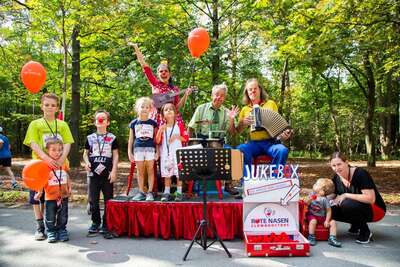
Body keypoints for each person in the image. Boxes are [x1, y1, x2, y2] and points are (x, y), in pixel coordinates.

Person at [23, 93, 74, 241]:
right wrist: (46, 158)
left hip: (59, 166)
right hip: (39, 167)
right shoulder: (35, 124)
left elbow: (67, 143)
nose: (50, 108)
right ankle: (40, 228)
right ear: (41, 106)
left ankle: (56, 227)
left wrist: (62, 159)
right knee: (37, 198)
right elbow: (33, 143)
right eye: (47, 105)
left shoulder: (62, 125)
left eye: (53, 105)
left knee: (54, 199)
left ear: (57, 108)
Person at [187, 83, 239, 195]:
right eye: (217, 94)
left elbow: (232, 132)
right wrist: (188, 142)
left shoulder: (226, 112)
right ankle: (189, 185)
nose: (219, 97)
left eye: (222, 95)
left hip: (218, 142)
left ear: (225, 98)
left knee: (234, 153)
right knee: (190, 149)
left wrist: (231, 119)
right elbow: (191, 127)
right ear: (212, 95)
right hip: (202, 141)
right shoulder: (201, 108)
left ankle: (229, 185)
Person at [236, 78, 292, 177]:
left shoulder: (270, 104)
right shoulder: (245, 109)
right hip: (254, 143)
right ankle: (246, 180)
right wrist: (243, 122)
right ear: (247, 92)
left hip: (271, 142)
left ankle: (274, 179)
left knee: (282, 150)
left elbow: (277, 125)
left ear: (260, 90)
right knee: (241, 148)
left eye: (255, 88)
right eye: (250, 89)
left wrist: (283, 136)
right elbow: (238, 131)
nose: (252, 91)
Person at [329, 152, 386, 244]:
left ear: (346, 162)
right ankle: (355, 225)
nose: (336, 168)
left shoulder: (360, 174)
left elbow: (371, 199)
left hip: (376, 210)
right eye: (333, 165)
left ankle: (365, 232)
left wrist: (346, 195)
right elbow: (332, 195)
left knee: (347, 204)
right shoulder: (337, 177)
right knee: (328, 209)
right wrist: (318, 199)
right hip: (357, 207)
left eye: (339, 164)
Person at [132, 43, 193, 126]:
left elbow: (177, 108)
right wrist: (136, 48)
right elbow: (144, 65)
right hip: (156, 119)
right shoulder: (155, 83)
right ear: (158, 74)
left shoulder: (175, 89)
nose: (163, 73)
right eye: (161, 71)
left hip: (170, 119)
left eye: (166, 71)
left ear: (170, 74)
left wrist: (185, 95)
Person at [83, 110, 119, 239]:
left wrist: (114, 170)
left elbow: (115, 155)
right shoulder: (90, 138)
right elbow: (85, 154)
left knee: (108, 200)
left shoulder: (112, 138)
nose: (100, 120)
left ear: (107, 122)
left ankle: (106, 224)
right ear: (94, 122)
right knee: (93, 200)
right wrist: (86, 163)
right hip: (93, 174)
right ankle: (95, 222)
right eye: (98, 118)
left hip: (107, 173)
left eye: (103, 119)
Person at [34, 138, 71, 243]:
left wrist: (70, 186)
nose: (57, 152)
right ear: (47, 151)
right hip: (50, 196)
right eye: (54, 150)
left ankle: (62, 230)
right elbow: (41, 180)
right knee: (50, 215)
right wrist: (39, 192)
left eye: (60, 150)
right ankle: (51, 231)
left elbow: (66, 175)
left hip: (63, 195)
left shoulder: (63, 162)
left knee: (63, 215)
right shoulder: (44, 164)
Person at [155, 103, 189, 201]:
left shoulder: (179, 125)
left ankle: (178, 192)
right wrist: (160, 131)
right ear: (163, 114)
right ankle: (166, 192)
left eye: (171, 109)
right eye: (166, 110)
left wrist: (176, 137)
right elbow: (157, 141)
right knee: (167, 175)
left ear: (175, 113)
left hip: (178, 154)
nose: (169, 111)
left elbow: (186, 138)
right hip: (166, 155)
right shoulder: (162, 126)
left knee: (179, 174)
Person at [128, 97, 158, 201]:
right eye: (142, 107)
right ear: (137, 108)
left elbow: (156, 139)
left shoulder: (153, 123)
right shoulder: (133, 123)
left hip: (150, 149)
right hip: (138, 149)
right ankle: (141, 191)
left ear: (150, 109)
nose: (144, 109)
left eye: (147, 107)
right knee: (140, 171)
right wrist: (129, 152)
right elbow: (131, 139)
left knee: (150, 170)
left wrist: (157, 151)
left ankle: (150, 192)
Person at [306, 178, 341, 247]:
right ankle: (311, 237)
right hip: (312, 215)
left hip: (322, 217)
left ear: (322, 191)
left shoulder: (324, 199)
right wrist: (309, 200)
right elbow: (306, 204)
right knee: (313, 221)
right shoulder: (312, 194)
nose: (314, 184)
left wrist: (327, 220)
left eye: (316, 184)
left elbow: (328, 211)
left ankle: (332, 238)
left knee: (333, 222)